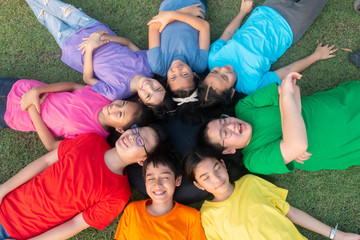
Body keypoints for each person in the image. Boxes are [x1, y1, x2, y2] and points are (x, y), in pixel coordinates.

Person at [0, 124, 164, 240]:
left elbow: (75, 224)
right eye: (136, 130)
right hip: (4, 202)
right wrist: (3, 189)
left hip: (17, 234)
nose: (132, 137)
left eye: (141, 141)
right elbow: (46, 161)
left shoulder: (118, 195)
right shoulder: (91, 140)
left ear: (143, 160)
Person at [197, 72, 360, 174]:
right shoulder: (254, 160)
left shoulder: (244, 107)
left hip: (338, 104)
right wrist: (286, 101)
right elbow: (298, 145)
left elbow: (291, 88)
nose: (231, 125)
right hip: (346, 143)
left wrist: (294, 135)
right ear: (229, 150)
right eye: (225, 133)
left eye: (224, 120)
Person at [25, 0, 172, 112]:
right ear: (163, 85)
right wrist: (103, 39)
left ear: (141, 101)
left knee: (46, 17)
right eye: (158, 89)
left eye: (148, 96)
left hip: (76, 47)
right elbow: (127, 43)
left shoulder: (116, 93)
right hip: (93, 28)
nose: (149, 88)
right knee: (51, 4)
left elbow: (88, 79)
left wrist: (90, 48)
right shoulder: (148, 66)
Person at [183, 153, 360, 240]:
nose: (216, 178)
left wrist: (338, 235)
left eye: (217, 168)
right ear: (198, 185)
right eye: (205, 177)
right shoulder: (207, 215)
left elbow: (291, 213)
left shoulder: (251, 182)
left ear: (223, 164)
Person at [198, 0, 337, 107]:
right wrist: (316, 56)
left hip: (268, 9)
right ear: (232, 92)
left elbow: (228, 33)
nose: (223, 69)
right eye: (224, 77)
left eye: (215, 72)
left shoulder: (213, 59)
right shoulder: (252, 86)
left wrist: (243, 12)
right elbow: (287, 71)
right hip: (290, 26)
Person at [1, 78, 153, 151]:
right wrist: (37, 91)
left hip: (20, 113)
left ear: (120, 129)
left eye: (120, 115)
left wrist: (32, 108)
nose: (115, 108)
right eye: (123, 103)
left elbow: (52, 145)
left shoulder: (93, 138)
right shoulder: (103, 98)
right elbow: (73, 86)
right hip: (25, 88)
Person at [114, 149, 206, 240]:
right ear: (145, 183)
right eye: (150, 179)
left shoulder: (191, 217)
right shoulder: (132, 211)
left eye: (165, 177)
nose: (157, 184)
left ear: (177, 180)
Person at [147, 0, 210, 99]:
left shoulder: (158, 65)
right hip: (195, 4)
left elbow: (153, 26)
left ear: (167, 82)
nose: (177, 70)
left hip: (169, 4)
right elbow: (204, 27)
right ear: (195, 76)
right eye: (185, 74)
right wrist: (178, 14)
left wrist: (181, 12)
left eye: (173, 77)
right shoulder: (200, 64)